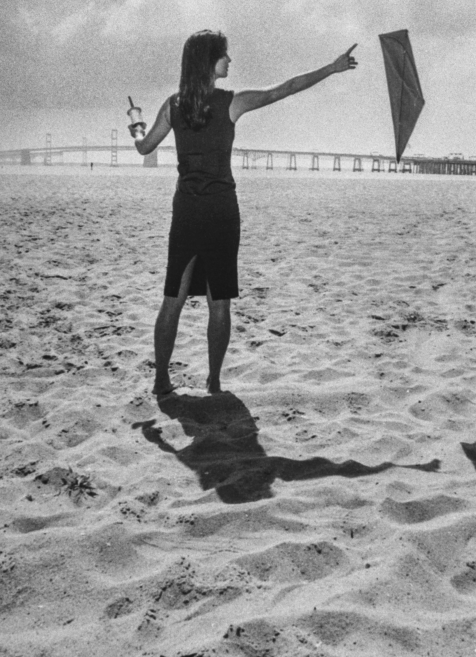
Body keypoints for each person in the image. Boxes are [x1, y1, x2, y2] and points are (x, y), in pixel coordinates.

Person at [129, 29, 357, 397]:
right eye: (225, 55)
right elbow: (284, 88)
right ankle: (214, 382)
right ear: (209, 60)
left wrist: (136, 123)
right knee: (219, 300)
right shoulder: (231, 103)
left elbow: (144, 146)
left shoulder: (172, 106)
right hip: (221, 211)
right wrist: (330, 69)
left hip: (187, 210)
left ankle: (161, 380)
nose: (230, 60)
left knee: (174, 295)